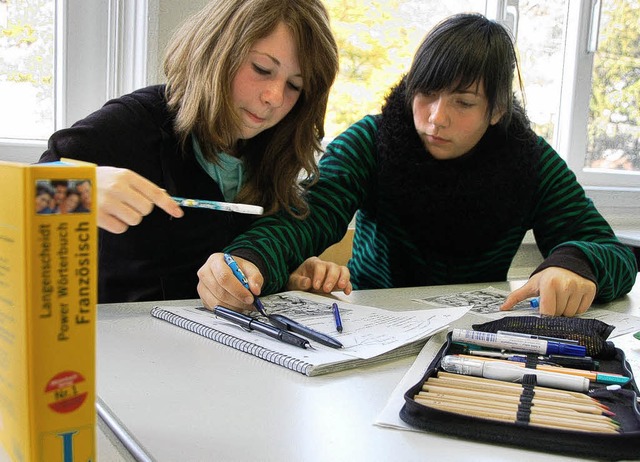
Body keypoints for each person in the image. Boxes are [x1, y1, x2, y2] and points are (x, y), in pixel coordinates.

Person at [197, 13, 638, 317]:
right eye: (425, 94)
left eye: (464, 102)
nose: (435, 118)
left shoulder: (531, 160)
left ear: (498, 109)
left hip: (473, 336)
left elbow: (613, 252)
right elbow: (306, 219)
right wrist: (249, 258)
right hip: (368, 325)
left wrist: (575, 264)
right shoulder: (370, 140)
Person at [38, 0, 341, 303]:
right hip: (124, 339)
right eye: (262, 69)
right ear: (217, 51)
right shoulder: (134, 123)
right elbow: (21, 194)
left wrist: (285, 277)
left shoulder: (273, 150)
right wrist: (81, 190)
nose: (274, 97)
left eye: (294, 86)